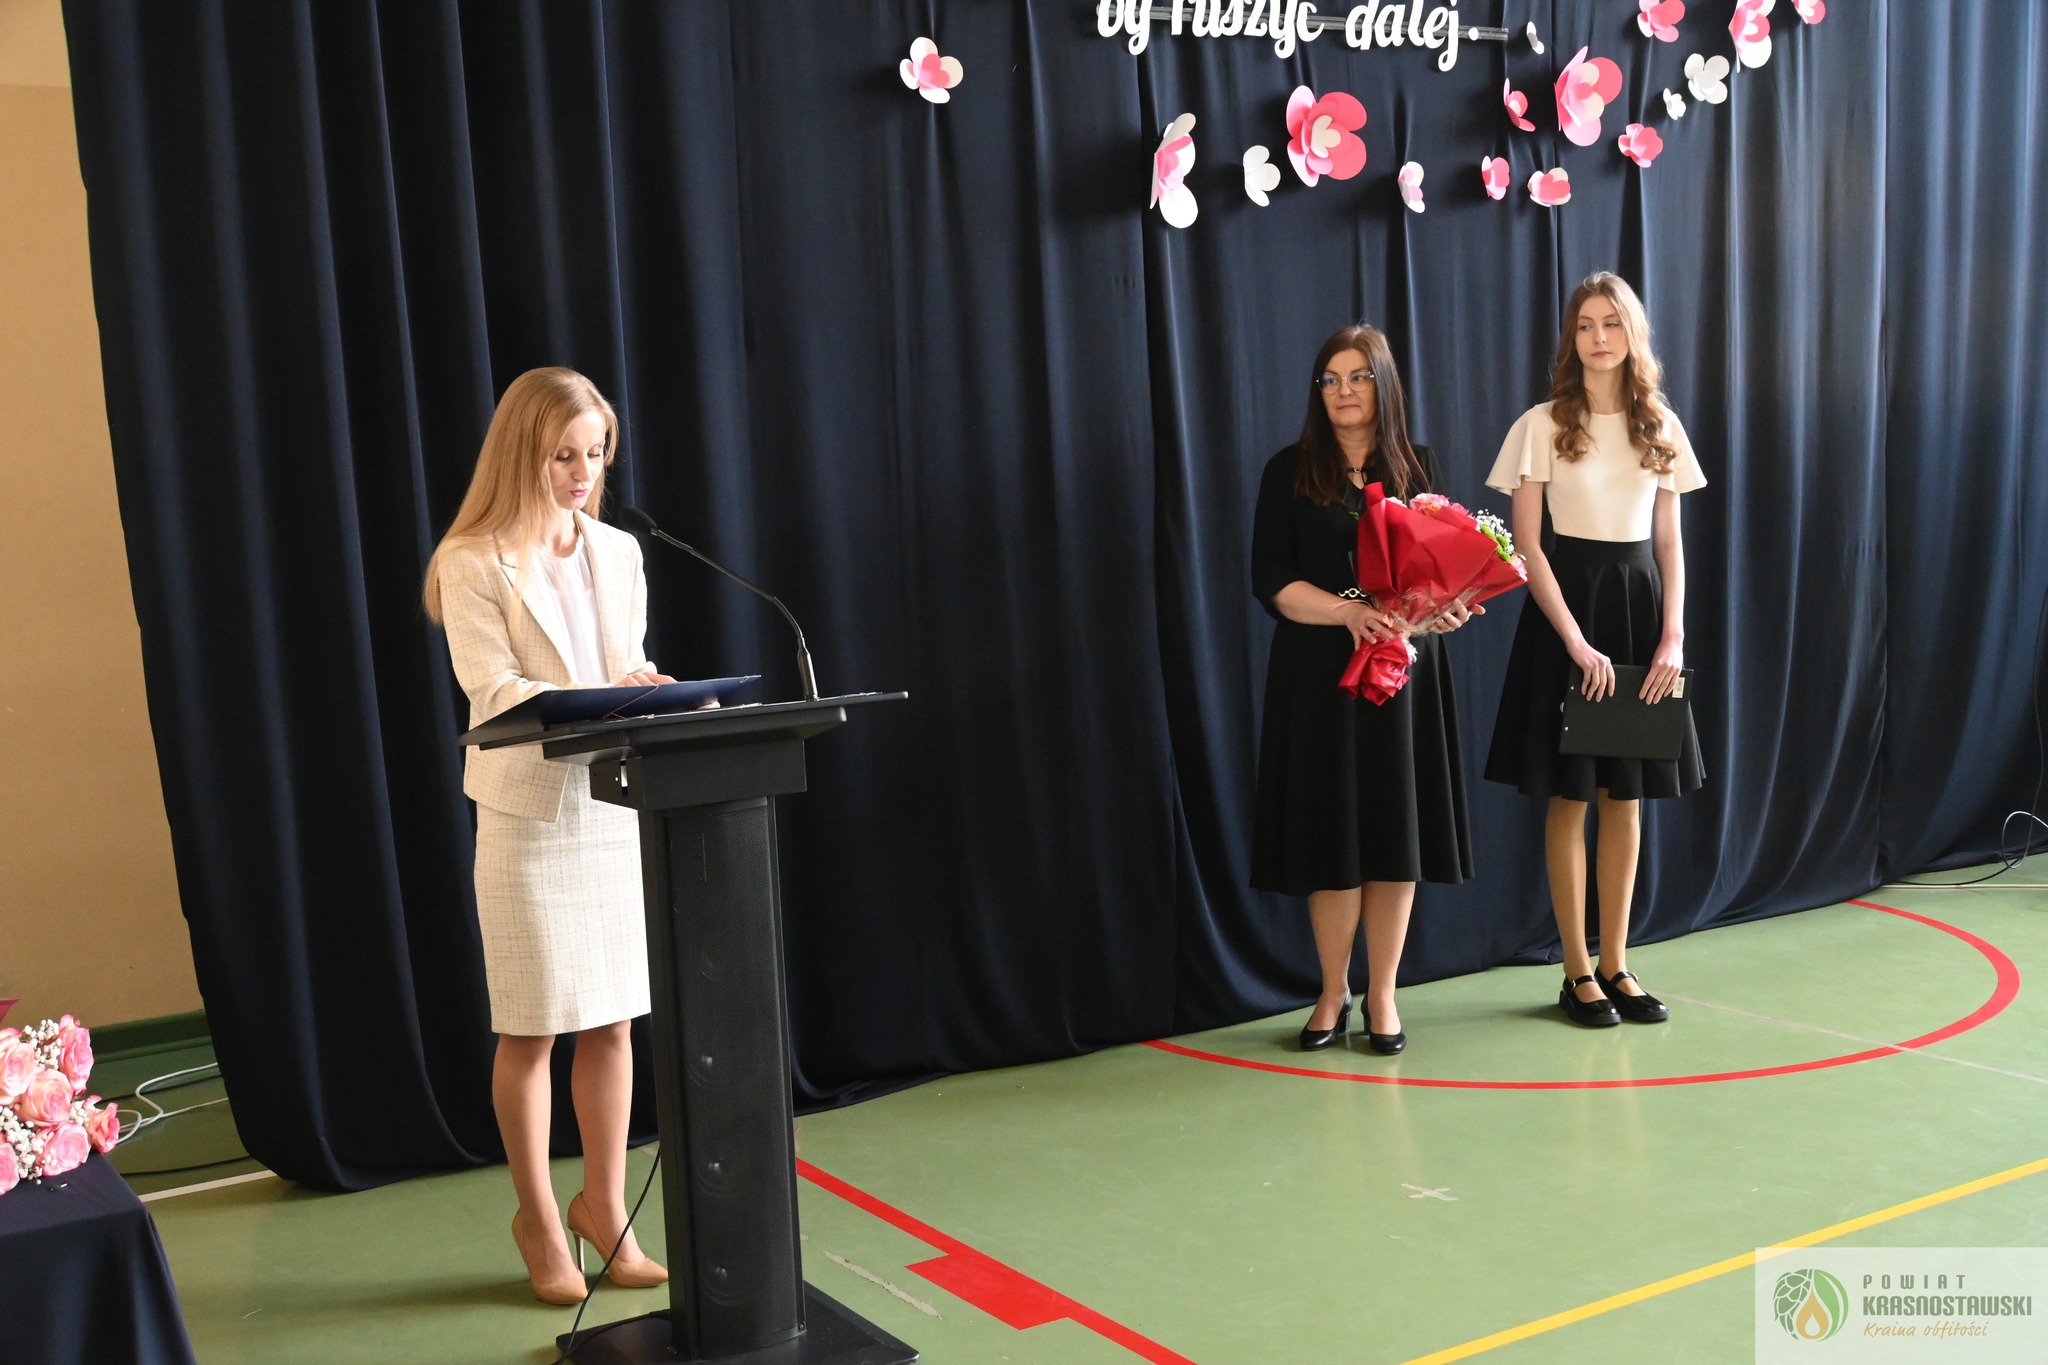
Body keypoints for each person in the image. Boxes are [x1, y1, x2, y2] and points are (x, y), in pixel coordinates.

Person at [423, 367, 672, 1304]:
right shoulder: (471, 560)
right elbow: (493, 691)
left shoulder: (619, 551)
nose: (581, 472)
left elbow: (625, 662)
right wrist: (604, 693)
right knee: (531, 1027)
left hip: (607, 805)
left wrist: (647, 687)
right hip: (526, 815)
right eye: (563, 453)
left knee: (612, 1019)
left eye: (595, 453)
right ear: (522, 452)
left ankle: (604, 1207)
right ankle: (537, 1216)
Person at [1483, 273, 1707, 1027]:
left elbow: (1670, 542)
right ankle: (1576, 971)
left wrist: (1673, 634)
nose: (1598, 337)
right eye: (1585, 325)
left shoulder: (1661, 425)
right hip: (1565, 616)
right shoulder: (1541, 424)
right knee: (1570, 793)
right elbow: (1528, 545)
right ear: (1570, 338)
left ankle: (1617, 962)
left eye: (1611, 323)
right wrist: (1574, 640)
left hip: (1639, 612)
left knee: (1625, 795)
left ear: (1632, 334)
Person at [1251, 324, 1477, 1055]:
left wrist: (1442, 613)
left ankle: (1382, 993)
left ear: (1384, 385)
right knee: (1332, 836)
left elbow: (1438, 578)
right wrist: (1347, 612)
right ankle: (1331, 991)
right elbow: (1271, 580)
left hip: (1402, 677)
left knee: (1391, 833)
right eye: (1330, 379)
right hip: (1319, 678)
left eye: (1357, 377)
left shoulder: (1420, 466)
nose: (1343, 391)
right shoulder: (1288, 470)